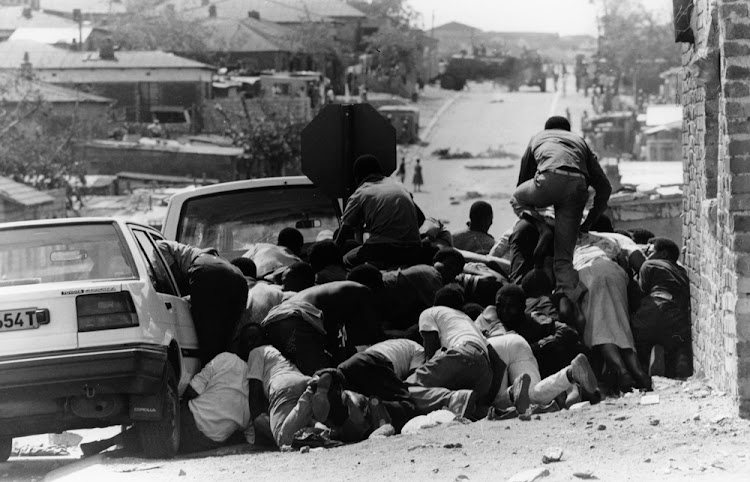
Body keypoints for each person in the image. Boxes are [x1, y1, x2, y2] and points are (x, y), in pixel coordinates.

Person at [510, 116, 612, 303]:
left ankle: (543, 231)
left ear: (546, 129)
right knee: (564, 261)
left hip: (549, 180)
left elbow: (523, 180)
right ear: (569, 130)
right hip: (577, 186)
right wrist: (588, 222)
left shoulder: (538, 138)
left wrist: (533, 217)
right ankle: (569, 305)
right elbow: (605, 187)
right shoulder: (580, 142)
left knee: (516, 197)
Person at [81, 351, 250, 456]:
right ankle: (111, 446)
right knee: (160, 436)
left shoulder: (227, 359)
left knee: (159, 423)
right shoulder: (256, 393)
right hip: (205, 442)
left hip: (192, 419)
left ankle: (106, 444)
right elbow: (247, 434)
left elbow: (192, 391)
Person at [261, 281, 385, 376]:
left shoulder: (337, 294)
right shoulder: (363, 292)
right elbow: (375, 335)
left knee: (297, 374)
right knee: (323, 377)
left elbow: (332, 341)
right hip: (294, 319)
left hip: (273, 321)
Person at [157, 240, 248, 366]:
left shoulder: (158, 246)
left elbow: (174, 283)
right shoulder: (192, 251)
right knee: (225, 342)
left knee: (207, 343)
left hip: (208, 269)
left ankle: (210, 379)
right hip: (237, 276)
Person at [406, 287, 495, 412]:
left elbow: (431, 349)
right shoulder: (466, 319)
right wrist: (489, 394)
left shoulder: (430, 312)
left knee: (405, 389)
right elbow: (496, 359)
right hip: (484, 367)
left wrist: (423, 370)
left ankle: (449, 399)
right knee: (465, 403)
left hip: (461, 355)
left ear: (435, 304)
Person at [348, 248, 466, 339]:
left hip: (384, 305)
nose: (451, 270)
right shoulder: (430, 273)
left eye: (455, 270)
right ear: (435, 261)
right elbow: (442, 311)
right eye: (449, 264)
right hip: (376, 298)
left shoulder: (432, 275)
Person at [335, 154, 428, 268]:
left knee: (347, 260)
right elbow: (421, 218)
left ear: (357, 177)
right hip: (414, 249)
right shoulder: (399, 186)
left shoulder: (361, 193)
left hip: (382, 250)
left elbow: (344, 233)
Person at [631, 238, 692, 378]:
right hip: (676, 315)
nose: (646, 255)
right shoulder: (682, 271)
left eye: (650, 252)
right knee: (679, 343)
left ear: (663, 254)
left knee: (637, 336)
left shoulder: (650, 264)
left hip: (653, 307)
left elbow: (640, 292)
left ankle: (647, 364)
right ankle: (679, 363)